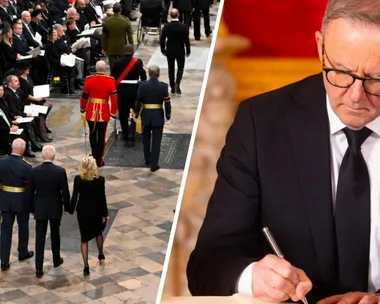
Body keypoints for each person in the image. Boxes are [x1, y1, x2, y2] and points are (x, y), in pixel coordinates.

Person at [187, 0, 380, 303]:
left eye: (376, 79)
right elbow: (206, 266)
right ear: (321, 48)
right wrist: (253, 277)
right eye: (340, 72)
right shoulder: (261, 123)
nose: (356, 97)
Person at [29, 145, 70, 278]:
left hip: (40, 208)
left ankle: (39, 268)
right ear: (54, 156)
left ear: (42, 156)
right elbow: (65, 192)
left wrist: (32, 209)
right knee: (55, 234)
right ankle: (56, 260)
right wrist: (67, 207)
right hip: (55, 207)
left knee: (40, 238)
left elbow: (30, 193)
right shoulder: (60, 171)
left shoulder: (34, 171)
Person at [68, 156, 109, 276]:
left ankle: (86, 266)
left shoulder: (78, 179)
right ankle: (100, 253)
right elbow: (102, 198)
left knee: (84, 239)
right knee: (98, 233)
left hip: (83, 213)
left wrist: (70, 210)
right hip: (96, 212)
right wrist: (105, 214)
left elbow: (74, 197)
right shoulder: (100, 180)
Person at [0, 138, 33, 271]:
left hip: (5, 200)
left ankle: (4, 260)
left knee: (5, 230)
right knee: (23, 226)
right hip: (21, 201)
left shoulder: (1, 162)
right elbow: (29, 187)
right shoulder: (26, 166)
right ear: (22, 149)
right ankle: (23, 252)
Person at [80, 60, 118, 167]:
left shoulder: (89, 79)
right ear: (105, 69)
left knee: (92, 134)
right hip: (104, 111)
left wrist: (82, 108)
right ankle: (99, 159)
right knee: (101, 135)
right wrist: (113, 112)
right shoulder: (110, 81)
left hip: (91, 110)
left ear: (96, 69)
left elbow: (84, 96)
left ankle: (94, 153)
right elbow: (114, 98)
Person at [134, 65, 171, 172]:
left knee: (146, 139)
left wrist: (136, 113)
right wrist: (168, 115)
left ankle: (147, 159)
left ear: (149, 74)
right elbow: (167, 102)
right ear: (158, 74)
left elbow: (138, 100)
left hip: (146, 115)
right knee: (156, 141)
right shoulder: (163, 87)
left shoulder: (143, 86)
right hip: (158, 116)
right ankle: (154, 164)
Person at [111, 44, 147, 146]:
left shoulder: (117, 62)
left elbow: (113, 77)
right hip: (134, 92)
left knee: (123, 114)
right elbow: (143, 76)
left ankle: (126, 135)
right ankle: (132, 132)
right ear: (132, 52)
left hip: (121, 92)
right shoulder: (137, 62)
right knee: (135, 113)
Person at [160, 8, 190, 94]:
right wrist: (188, 51)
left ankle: (172, 86)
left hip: (170, 50)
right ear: (178, 15)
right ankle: (178, 83)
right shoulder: (183, 26)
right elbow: (186, 40)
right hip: (180, 49)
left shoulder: (166, 26)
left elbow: (162, 39)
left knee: (171, 68)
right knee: (180, 68)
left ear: (170, 15)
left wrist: (163, 50)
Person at [101, 2, 133, 71]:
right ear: (120, 10)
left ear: (113, 10)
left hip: (111, 47)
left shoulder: (107, 21)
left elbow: (104, 36)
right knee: (123, 66)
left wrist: (104, 48)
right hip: (122, 46)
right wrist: (131, 47)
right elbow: (130, 36)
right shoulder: (125, 21)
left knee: (112, 67)